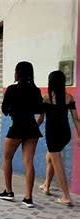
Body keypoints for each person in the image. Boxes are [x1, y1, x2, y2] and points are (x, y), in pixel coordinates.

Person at [0, 61, 43, 208]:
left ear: (17, 73)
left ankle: (9, 192)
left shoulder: (12, 89)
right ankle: (28, 198)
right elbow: (39, 108)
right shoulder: (36, 90)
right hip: (31, 127)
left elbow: (4, 109)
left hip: (17, 126)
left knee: (7, 158)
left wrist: (13, 110)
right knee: (29, 162)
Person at [37, 71, 80, 206]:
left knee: (57, 162)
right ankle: (46, 186)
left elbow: (40, 119)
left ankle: (66, 196)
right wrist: (79, 136)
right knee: (50, 157)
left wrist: (30, 129)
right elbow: (76, 119)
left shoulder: (46, 98)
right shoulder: (69, 98)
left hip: (53, 134)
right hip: (65, 134)